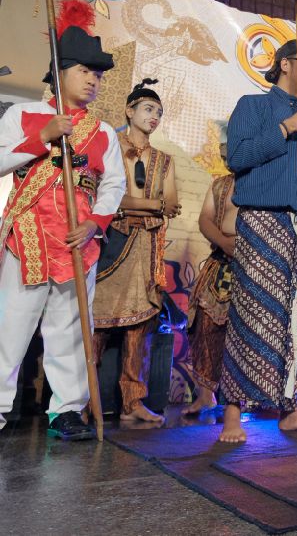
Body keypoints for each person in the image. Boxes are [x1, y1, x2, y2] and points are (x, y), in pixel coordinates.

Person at [0, 0, 125, 439]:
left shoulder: (103, 132)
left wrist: (95, 225)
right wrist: (43, 138)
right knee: (10, 328)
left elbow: (113, 187)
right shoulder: (22, 116)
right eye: (85, 72)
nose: (93, 81)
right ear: (60, 72)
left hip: (78, 242)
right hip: (29, 239)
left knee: (71, 330)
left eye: (98, 75)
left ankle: (67, 410)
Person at [218, 38, 297, 443]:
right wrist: (286, 128)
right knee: (251, 312)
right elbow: (237, 156)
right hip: (262, 221)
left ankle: (290, 408)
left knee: (294, 319)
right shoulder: (252, 107)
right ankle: (234, 414)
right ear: (284, 64)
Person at [92, 79, 178, 424]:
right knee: (96, 323)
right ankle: (82, 403)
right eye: (147, 109)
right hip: (111, 244)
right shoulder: (110, 145)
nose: (154, 117)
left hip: (147, 247)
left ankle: (132, 403)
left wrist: (133, 206)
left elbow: (170, 205)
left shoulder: (163, 159)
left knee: (139, 327)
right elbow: (107, 198)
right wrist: (148, 205)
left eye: (158, 112)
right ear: (129, 110)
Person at [183, 124, 236, 416]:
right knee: (204, 327)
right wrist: (224, 243)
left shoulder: (263, 183)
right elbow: (205, 219)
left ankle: (237, 400)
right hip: (219, 262)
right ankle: (205, 396)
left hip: (251, 268)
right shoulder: (220, 184)